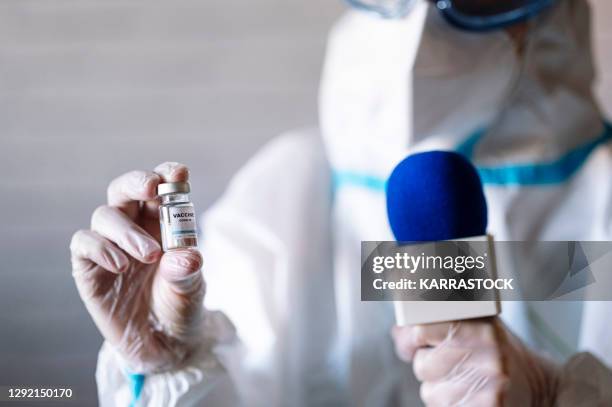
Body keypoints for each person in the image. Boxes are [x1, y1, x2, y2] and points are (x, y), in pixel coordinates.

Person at [70, 0, 612, 405]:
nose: (419, 22)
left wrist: (559, 394)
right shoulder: (290, 190)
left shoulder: (602, 199)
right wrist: (167, 364)